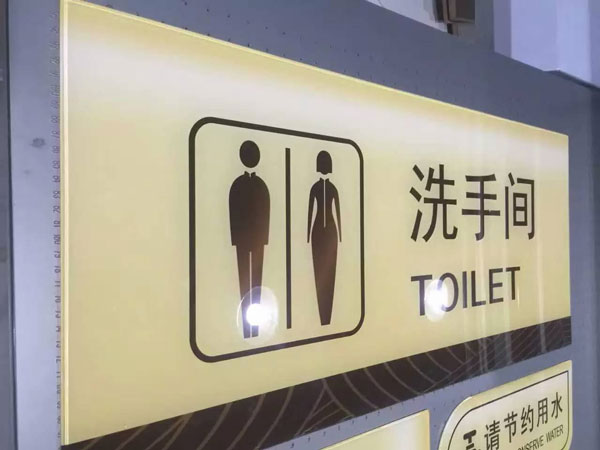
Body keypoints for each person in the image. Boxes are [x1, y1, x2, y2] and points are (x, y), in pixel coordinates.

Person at [229, 140, 270, 338]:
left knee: (257, 283)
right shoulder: (238, 184)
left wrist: (265, 238)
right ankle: (246, 331)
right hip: (243, 241)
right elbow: (233, 211)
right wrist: (234, 238)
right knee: (244, 281)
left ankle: (255, 331)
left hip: (257, 239)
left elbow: (266, 212)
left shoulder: (261, 185)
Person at [307, 151, 341, 326]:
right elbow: (309, 212)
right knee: (318, 271)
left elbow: (338, 212)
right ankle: (322, 319)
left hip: (331, 233)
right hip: (318, 232)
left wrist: (340, 235)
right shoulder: (314, 187)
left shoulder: (333, 188)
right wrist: (307, 234)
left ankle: (328, 318)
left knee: (331, 271)